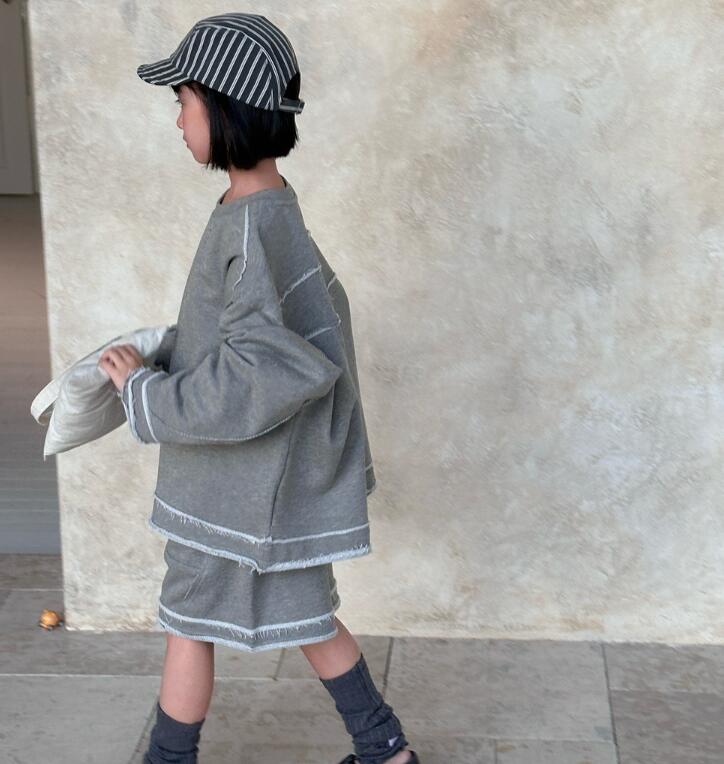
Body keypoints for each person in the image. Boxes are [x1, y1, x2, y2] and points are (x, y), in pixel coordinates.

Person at [97, 13, 419, 764]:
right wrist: (172, 348)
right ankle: (386, 750)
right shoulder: (267, 211)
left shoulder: (251, 226)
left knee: (188, 620)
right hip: (269, 482)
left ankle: (167, 760)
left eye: (183, 102)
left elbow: (268, 367)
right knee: (307, 614)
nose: (177, 120)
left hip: (238, 490)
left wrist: (149, 394)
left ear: (226, 110)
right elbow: (265, 337)